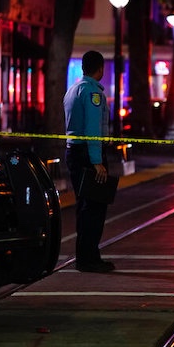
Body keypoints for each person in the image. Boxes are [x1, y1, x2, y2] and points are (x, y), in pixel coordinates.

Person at [64, 50, 115, 273]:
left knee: (84, 207)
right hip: (88, 154)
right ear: (100, 68)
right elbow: (92, 129)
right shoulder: (93, 93)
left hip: (74, 151)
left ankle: (85, 256)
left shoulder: (73, 89)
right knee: (94, 207)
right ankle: (89, 258)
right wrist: (97, 161)